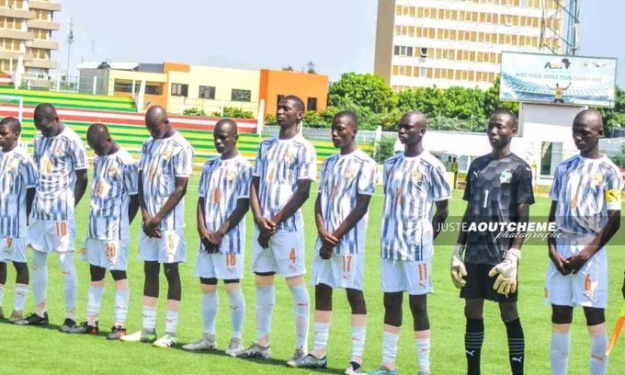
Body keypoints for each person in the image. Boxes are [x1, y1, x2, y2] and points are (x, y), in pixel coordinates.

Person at [450, 109, 534, 375]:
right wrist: (457, 251)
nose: (493, 131)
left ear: (512, 131)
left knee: (509, 314)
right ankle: (472, 372)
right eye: (490, 126)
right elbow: (469, 211)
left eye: (500, 126)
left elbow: (523, 217)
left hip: (501, 257)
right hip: (474, 254)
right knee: (471, 311)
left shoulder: (520, 168)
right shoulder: (476, 166)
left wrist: (514, 256)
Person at [294, 111, 377, 374]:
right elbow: (320, 199)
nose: (335, 133)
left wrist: (335, 236)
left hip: (349, 242)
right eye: (333, 128)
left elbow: (362, 205)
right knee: (323, 289)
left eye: (341, 129)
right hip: (325, 240)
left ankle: (356, 360)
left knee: (354, 294)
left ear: (354, 130)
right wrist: (321, 230)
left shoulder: (366, 163)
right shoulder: (328, 162)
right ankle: (318, 353)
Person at [369, 111, 450, 375]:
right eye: (400, 127)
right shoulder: (390, 164)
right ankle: (388, 364)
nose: (403, 131)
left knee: (418, 306)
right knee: (390, 303)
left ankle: (424, 369)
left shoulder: (432, 166)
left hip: (417, 250)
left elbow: (442, 212)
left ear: (422, 131)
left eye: (408, 127)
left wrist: (427, 239)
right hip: (389, 246)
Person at [238, 95, 316, 366]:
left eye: (287, 108)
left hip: (288, 228)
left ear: (300, 115)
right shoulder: (266, 145)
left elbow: (304, 190)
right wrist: (259, 217)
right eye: (279, 107)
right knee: (262, 282)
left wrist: (275, 220)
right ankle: (262, 343)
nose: (280, 112)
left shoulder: (305, 148)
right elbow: (255, 183)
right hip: (263, 227)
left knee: (295, 284)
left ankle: (301, 347)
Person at [546, 109, 621, 375]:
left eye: (584, 132)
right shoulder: (563, 167)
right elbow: (553, 212)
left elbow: (614, 220)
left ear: (599, 133)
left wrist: (584, 255)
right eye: (575, 131)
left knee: (594, 319)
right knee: (560, 317)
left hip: (590, 256)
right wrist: (552, 249)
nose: (578, 137)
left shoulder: (610, 171)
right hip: (561, 253)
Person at [120, 105, 193, 348]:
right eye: (149, 128)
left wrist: (158, 218)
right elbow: (142, 180)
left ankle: (170, 332)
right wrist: (145, 215)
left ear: (167, 121)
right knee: (149, 269)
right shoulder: (148, 145)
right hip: (148, 221)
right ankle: (148, 328)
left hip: (169, 223)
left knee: (171, 272)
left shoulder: (181, 146)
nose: (152, 132)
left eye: (155, 127)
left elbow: (181, 188)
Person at [182, 119, 251, 356]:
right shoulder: (209, 165)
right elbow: (201, 200)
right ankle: (208, 337)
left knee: (232, 287)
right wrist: (202, 230)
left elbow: (243, 204)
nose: (219, 141)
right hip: (207, 239)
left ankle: (236, 340)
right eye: (216, 137)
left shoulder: (244, 167)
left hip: (229, 240)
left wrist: (220, 233)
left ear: (235, 138)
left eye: (224, 137)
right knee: (207, 287)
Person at [16, 104, 88, 331]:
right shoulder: (39, 139)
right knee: (37, 261)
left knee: (65, 263)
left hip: (61, 214)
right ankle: (40, 312)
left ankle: (70, 317)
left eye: (46, 127)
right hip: (40, 210)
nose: (43, 132)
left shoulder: (72, 141)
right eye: (40, 128)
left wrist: (71, 205)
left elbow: (83, 176)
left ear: (56, 118)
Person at [67, 123, 139, 339]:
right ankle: (91, 322)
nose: (95, 152)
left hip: (115, 230)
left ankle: (119, 325)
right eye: (93, 149)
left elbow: (135, 197)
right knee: (95, 272)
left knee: (118, 273)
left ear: (108, 140)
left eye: (97, 147)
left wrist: (123, 223)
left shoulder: (126, 162)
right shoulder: (99, 160)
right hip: (95, 228)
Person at [0, 117, 37, 322]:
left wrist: (27, 215)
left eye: (4, 133)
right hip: (0, 221)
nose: (0, 137)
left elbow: (32, 188)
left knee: (20, 264)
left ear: (16, 134)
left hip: (16, 222)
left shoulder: (23, 158)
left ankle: (17, 309)